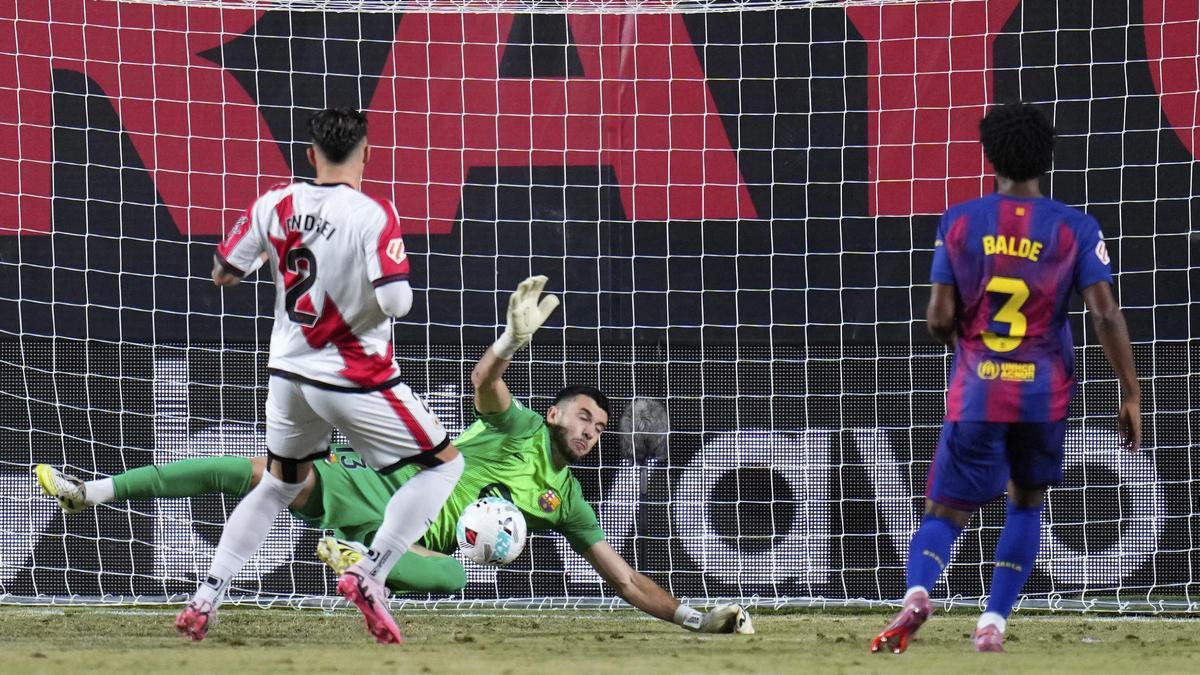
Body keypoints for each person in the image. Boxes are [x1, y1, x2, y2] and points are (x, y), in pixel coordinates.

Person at [36, 276, 753, 635]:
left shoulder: (564, 500)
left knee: (463, 577)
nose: (592, 429)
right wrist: (509, 343)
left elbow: (625, 579)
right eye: (585, 414)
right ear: (559, 410)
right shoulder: (522, 427)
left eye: (600, 426)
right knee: (255, 473)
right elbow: (485, 383)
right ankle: (88, 490)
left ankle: (364, 569)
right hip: (387, 487)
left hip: (428, 553)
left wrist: (695, 617)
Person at [869, 102, 1141, 655]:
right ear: (1047, 157)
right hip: (1044, 394)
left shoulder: (962, 222)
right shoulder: (1074, 228)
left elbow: (939, 319)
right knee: (1026, 502)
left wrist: (971, 346)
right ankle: (992, 620)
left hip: (978, 388)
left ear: (989, 155)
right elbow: (1106, 313)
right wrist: (1131, 393)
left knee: (945, 511)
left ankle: (919, 591)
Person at [188, 107, 464, 644]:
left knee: (276, 485)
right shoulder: (372, 214)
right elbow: (396, 301)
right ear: (365, 153)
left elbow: (222, 272)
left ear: (311, 155)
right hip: (354, 375)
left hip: (288, 373)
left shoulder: (274, 204)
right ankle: (371, 573)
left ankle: (207, 595)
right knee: (443, 468)